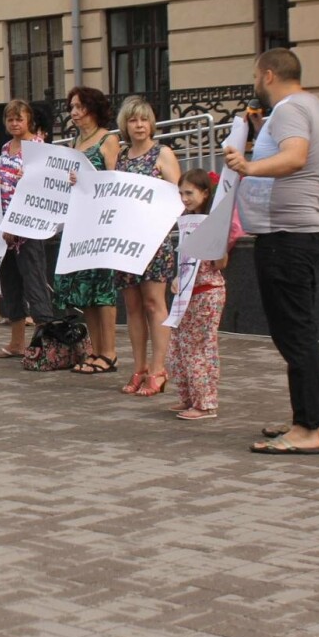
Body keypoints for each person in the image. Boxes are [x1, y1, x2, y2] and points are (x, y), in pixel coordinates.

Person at [225, 48, 319, 455]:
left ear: (268, 75)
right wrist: (259, 137)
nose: (255, 82)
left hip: (287, 237)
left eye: (256, 75)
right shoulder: (312, 106)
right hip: (300, 234)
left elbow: (296, 156)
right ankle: (312, 418)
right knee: (299, 330)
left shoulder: (289, 109)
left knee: (294, 332)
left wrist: (248, 166)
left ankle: (306, 428)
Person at [112, 97, 181, 396]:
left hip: (154, 240)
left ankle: (158, 368)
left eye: (144, 120)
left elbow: (179, 198)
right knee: (133, 307)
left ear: (151, 123)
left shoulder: (163, 154)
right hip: (126, 241)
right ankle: (139, 367)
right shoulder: (122, 157)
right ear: (125, 124)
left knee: (154, 304)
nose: (139, 125)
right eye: (133, 120)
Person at [56, 86, 122, 374]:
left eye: (80, 107)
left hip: (101, 224)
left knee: (103, 290)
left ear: (93, 109)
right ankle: (95, 350)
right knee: (86, 291)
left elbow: (114, 181)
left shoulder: (108, 140)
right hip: (79, 224)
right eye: (72, 107)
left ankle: (110, 352)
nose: (74, 112)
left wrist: (87, 178)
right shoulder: (74, 143)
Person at [0, 101, 56, 358]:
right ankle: (17, 343)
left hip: (28, 229)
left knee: (34, 283)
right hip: (3, 230)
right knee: (11, 285)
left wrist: (17, 224)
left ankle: (45, 344)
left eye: (19, 119)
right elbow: (3, 182)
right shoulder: (4, 147)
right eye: (10, 119)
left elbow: (36, 188)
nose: (15, 123)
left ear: (29, 121)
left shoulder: (37, 147)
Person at [167, 170, 233, 421]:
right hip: (188, 293)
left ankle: (205, 403)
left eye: (189, 193)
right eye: (181, 193)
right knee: (178, 347)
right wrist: (178, 279)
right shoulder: (187, 221)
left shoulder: (212, 222)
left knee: (199, 348)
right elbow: (186, 261)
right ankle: (189, 396)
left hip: (207, 293)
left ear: (205, 193)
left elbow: (219, 262)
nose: (185, 198)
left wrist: (217, 241)